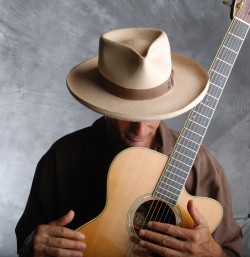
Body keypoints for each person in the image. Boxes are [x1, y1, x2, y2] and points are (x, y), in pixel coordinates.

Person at [15, 27, 242, 257]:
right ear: (105, 105)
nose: (140, 129)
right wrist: (32, 245)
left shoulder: (201, 165)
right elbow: (27, 239)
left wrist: (214, 254)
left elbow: (231, 250)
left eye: (153, 113)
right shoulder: (62, 157)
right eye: (128, 114)